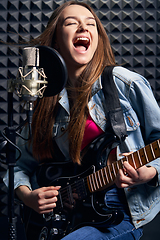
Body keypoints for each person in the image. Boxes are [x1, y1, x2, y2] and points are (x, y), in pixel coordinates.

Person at [3, 1, 160, 240]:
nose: (83, 28)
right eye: (71, 23)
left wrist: (148, 173)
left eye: (90, 24)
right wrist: (27, 196)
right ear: (56, 40)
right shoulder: (45, 101)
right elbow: (21, 166)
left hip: (120, 214)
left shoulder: (124, 83)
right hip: (70, 218)